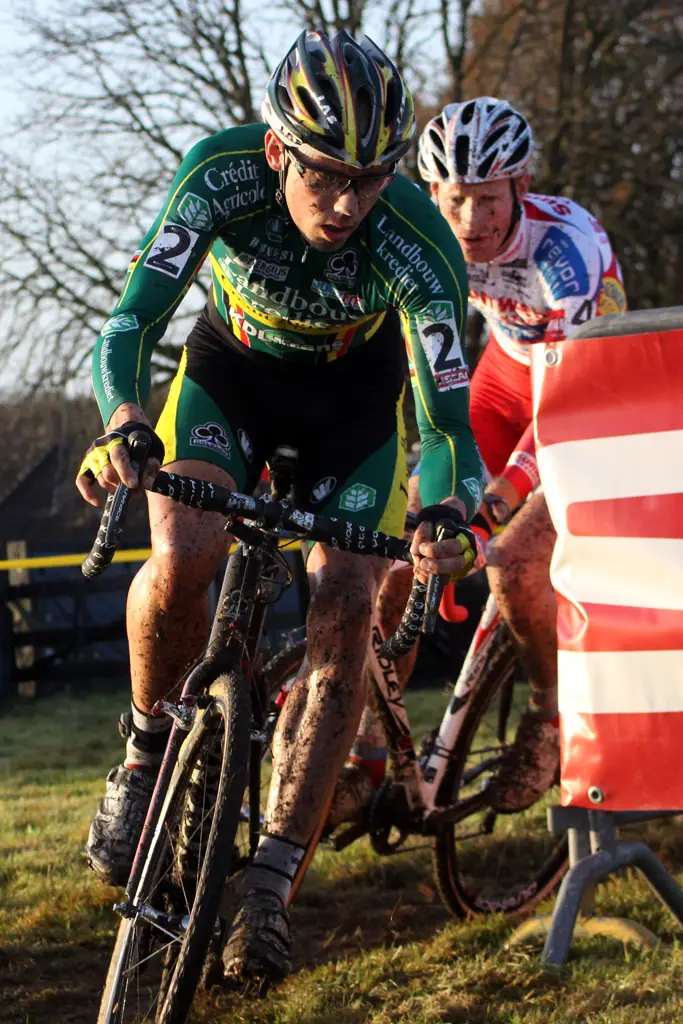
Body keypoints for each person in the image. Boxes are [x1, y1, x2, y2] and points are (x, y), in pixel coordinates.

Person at [76, 30, 485, 987]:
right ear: (276, 152)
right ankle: (141, 761)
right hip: (231, 378)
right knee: (183, 550)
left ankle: (270, 879)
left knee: (345, 607)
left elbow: (446, 427)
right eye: (327, 176)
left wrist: (443, 518)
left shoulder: (417, 242)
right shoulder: (219, 175)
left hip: (356, 410)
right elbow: (133, 323)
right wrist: (123, 422)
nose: (347, 204)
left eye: (371, 179)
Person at [336, 96, 626, 821]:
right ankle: (369, 750)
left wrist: (500, 497)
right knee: (407, 554)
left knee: (515, 559)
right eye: (455, 200)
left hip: (590, 393)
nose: (470, 221)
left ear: (519, 189)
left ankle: (549, 718)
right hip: (505, 375)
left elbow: (567, 404)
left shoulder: (566, 252)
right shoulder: (423, 229)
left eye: (488, 201)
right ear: (434, 194)